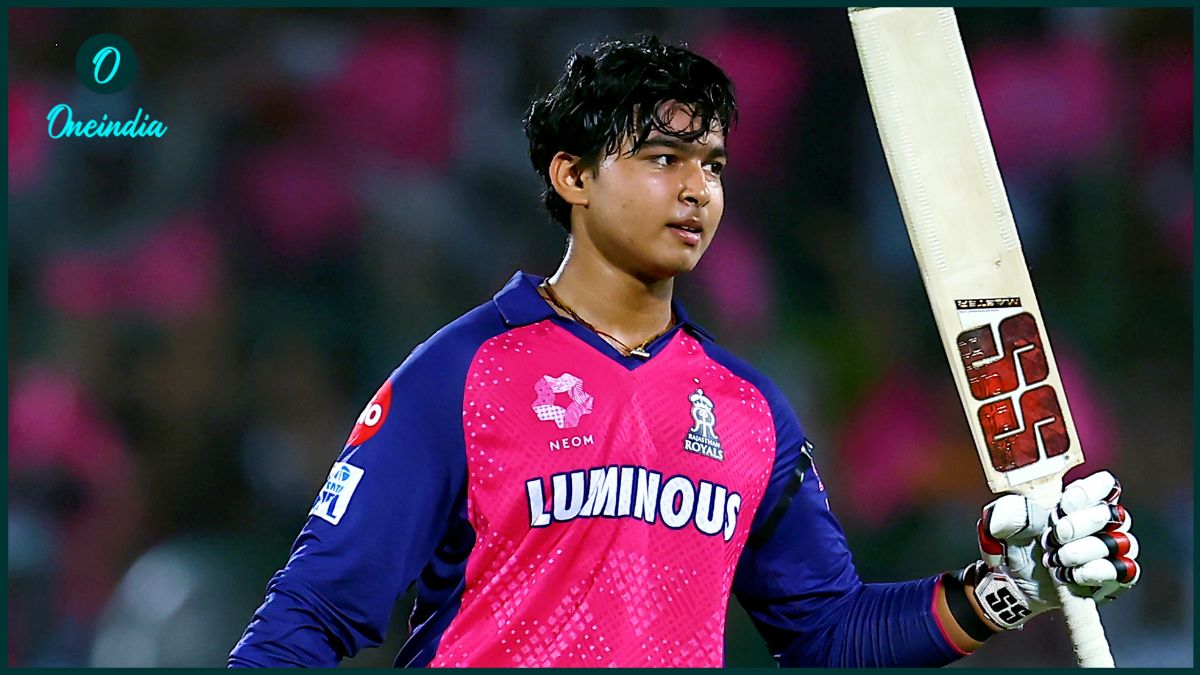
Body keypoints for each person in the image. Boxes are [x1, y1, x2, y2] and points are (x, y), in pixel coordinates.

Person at [228, 35, 1140, 668]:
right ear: (573, 174)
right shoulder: (463, 374)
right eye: (664, 158)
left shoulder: (748, 411)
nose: (698, 188)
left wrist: (1007, 589)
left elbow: (828, 633)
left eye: (713, 164)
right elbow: (314, 611)